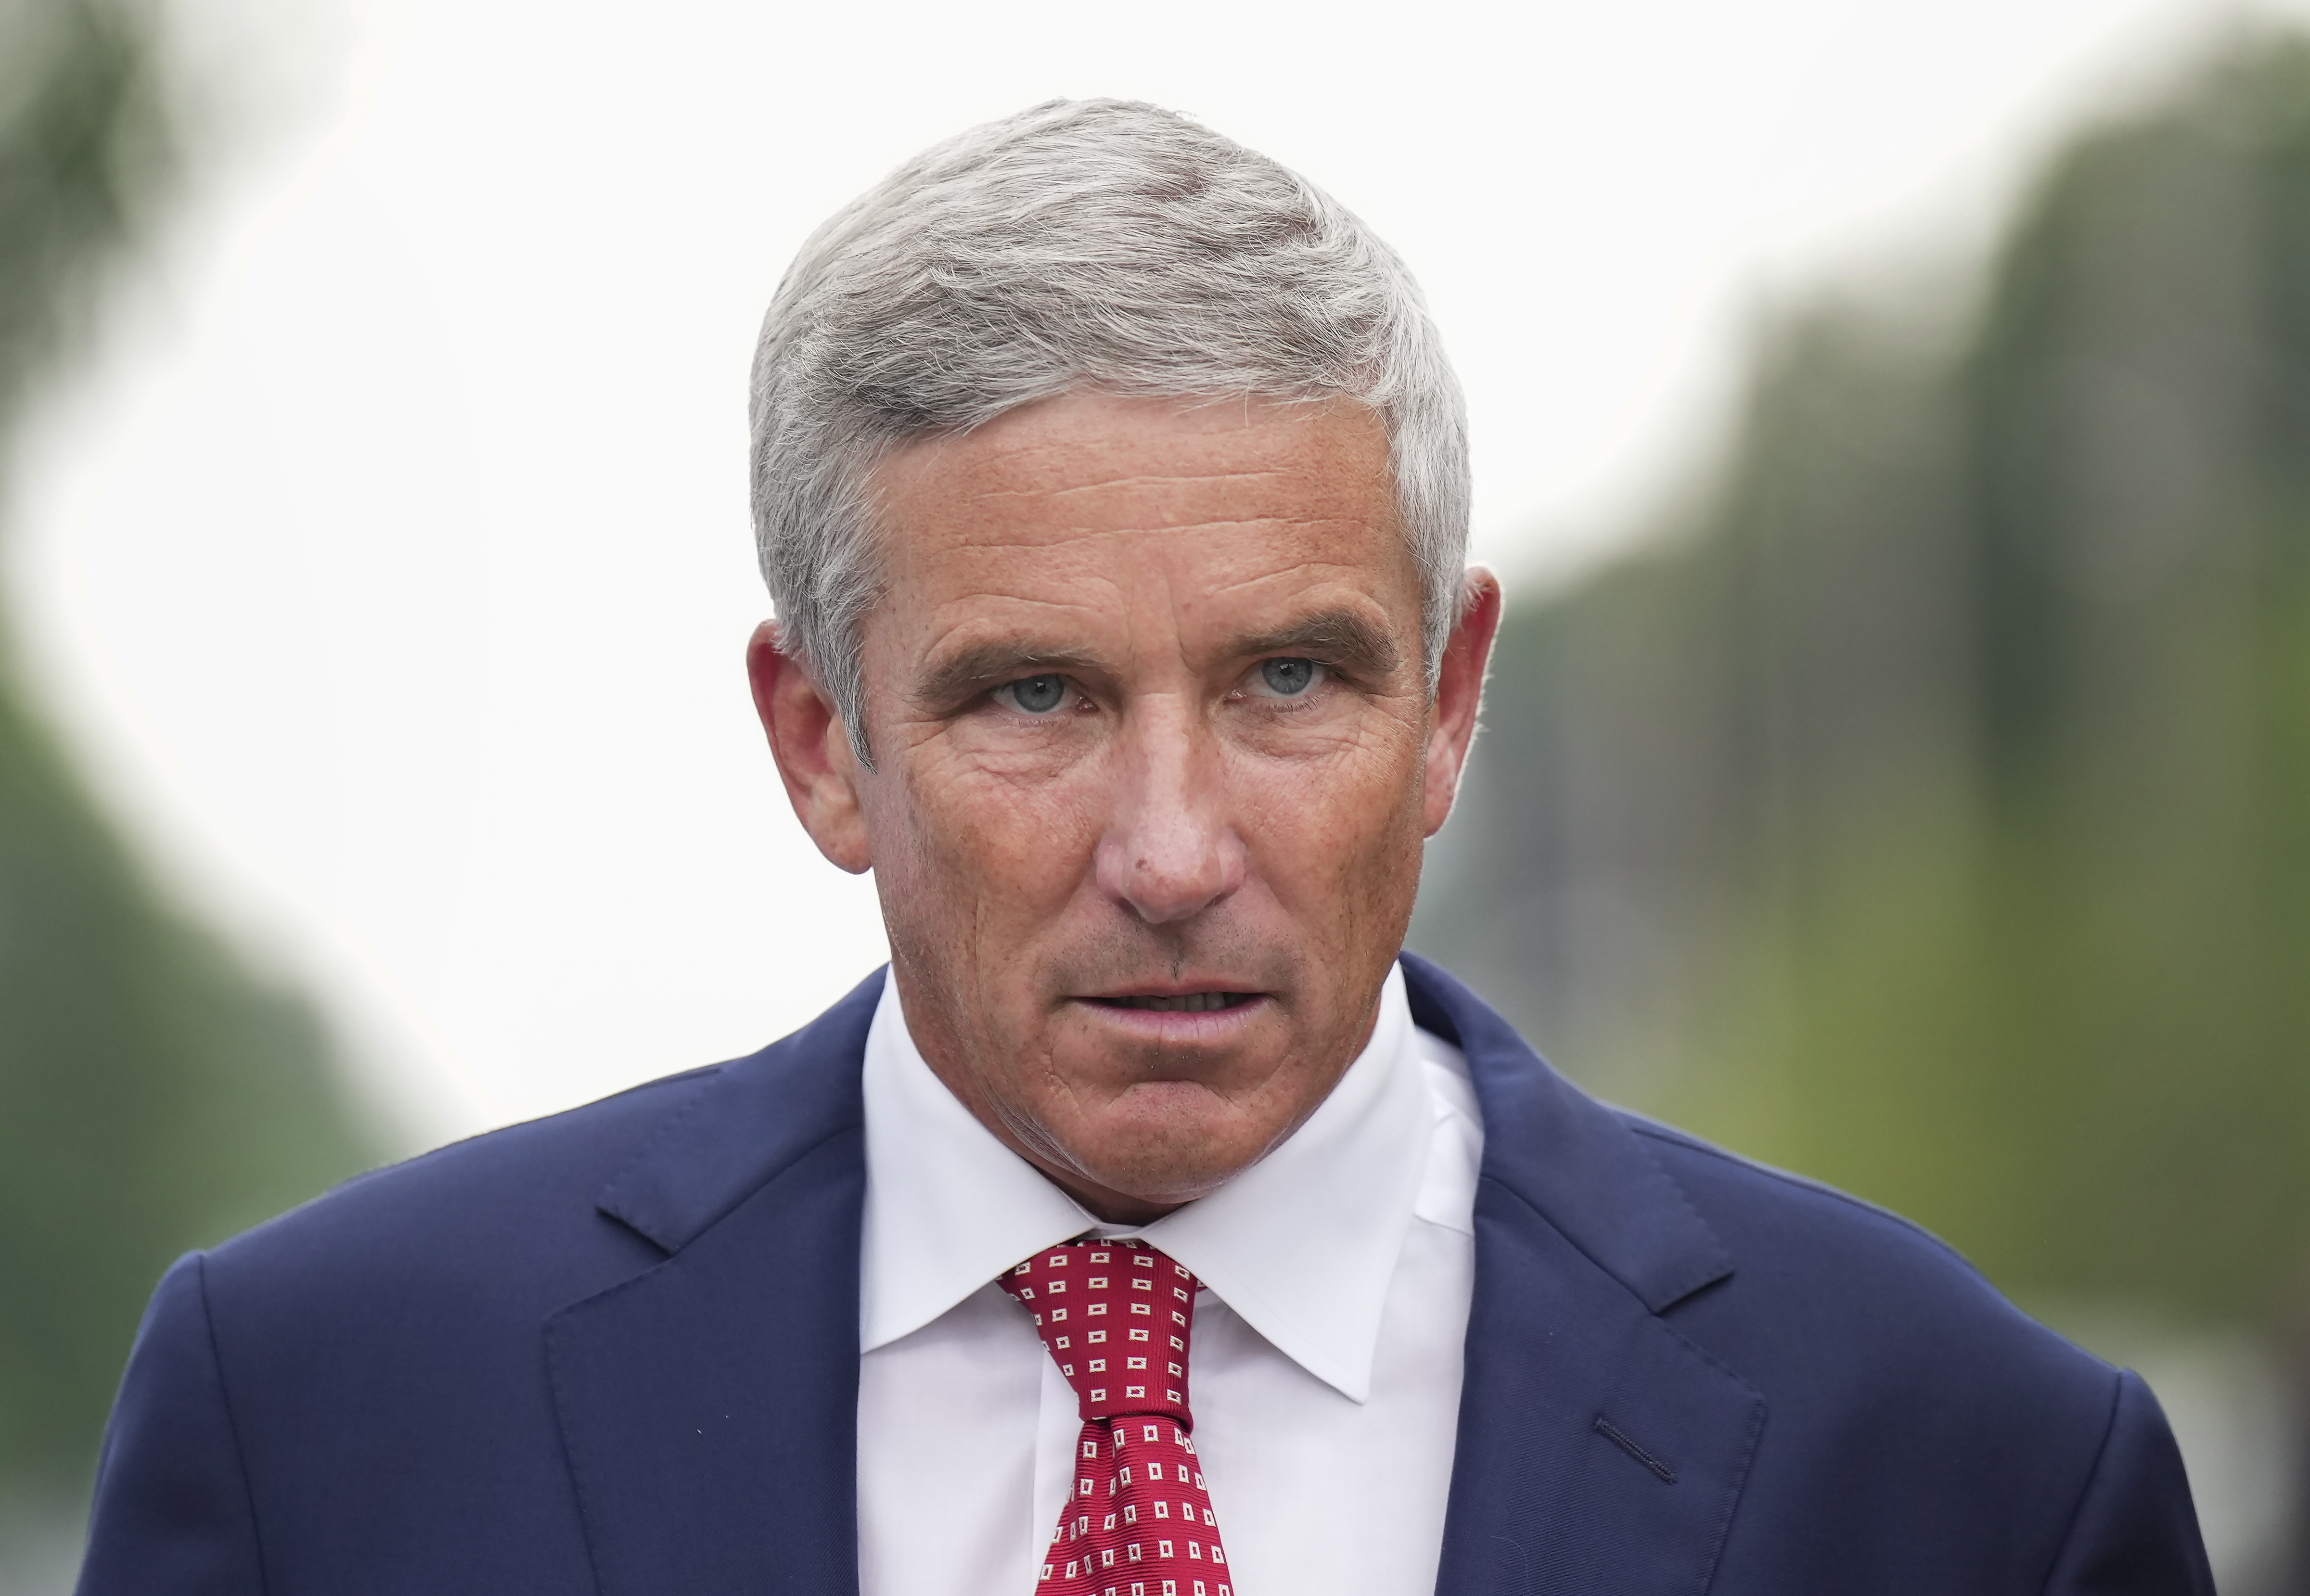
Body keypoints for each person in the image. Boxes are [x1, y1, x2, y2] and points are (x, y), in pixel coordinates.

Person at [77, 99, 2211, 1596]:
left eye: (1290, 678)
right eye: (1037, 696)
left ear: (1450, 699)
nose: (1176, 852)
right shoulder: (327, 1422)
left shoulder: (1966, 1474)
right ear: (821, 743)